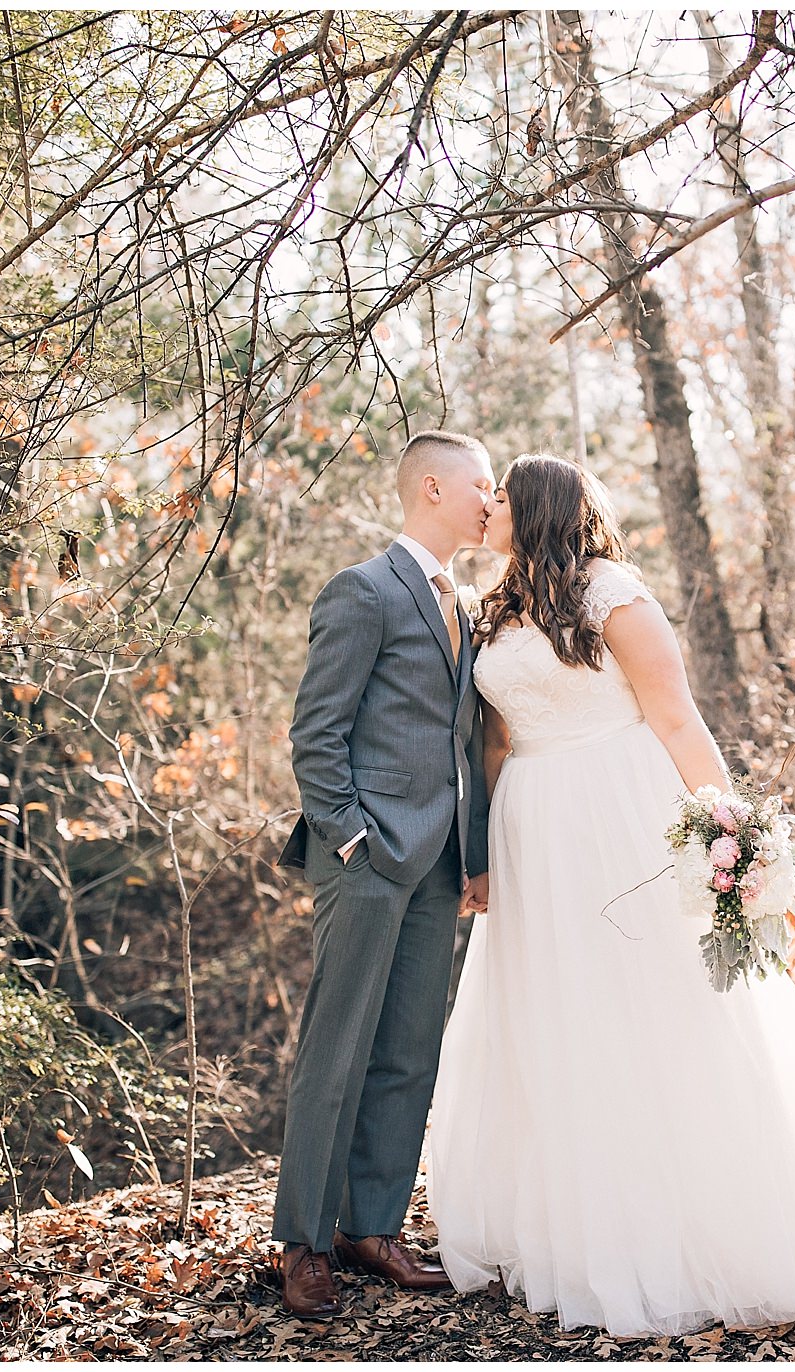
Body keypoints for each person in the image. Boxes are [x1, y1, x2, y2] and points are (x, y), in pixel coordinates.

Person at [425, 454, 795, 1337]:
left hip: (618, 812)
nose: (490, 508)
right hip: (532, 829)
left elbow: (675, 717)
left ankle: (704, 1217)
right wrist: (479, 853)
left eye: (504, 497)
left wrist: (732, 835)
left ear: (542, 510)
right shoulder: (494, 608)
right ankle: (583, 1217)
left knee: (657, 1003)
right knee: (559, 1011)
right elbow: (492, 743)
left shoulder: (611, 594)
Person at [272, 429, 495, 1318]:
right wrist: (351, 838)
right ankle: (304, 1243)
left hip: (441, 863)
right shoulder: (363, 591)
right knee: (337, 1051)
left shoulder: (469, 607)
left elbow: (464, 739)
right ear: (433, 488)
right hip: (366, 861)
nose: (491, 499)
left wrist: (472, 856)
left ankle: (373, 1229)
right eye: (482, 484)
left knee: (408, 1053)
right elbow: (315, 733)